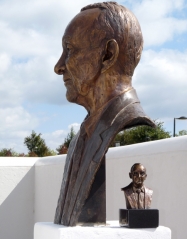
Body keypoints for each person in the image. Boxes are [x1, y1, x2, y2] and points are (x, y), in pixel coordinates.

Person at [54, 2, 155, 226]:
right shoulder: (82, 135)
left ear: (108, 54)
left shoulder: (119, 122)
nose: (59, 66)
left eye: (69, 50)